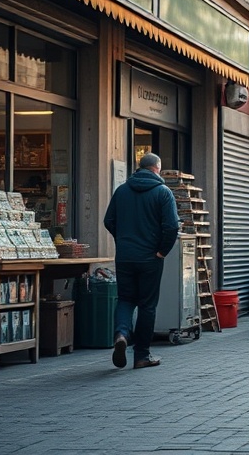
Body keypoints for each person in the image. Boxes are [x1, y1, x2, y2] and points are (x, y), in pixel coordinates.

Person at [103, 152, 180, 370]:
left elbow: (109, 220)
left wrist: (123, 241)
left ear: (140, 167)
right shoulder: (163, 192)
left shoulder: (121, 191)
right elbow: (172, 226)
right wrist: (162, 251)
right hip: (150, 258)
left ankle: (121, 335)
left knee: (126, 299)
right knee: (147, 305)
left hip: (125, 256)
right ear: (157, 168)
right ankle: (141, 356)